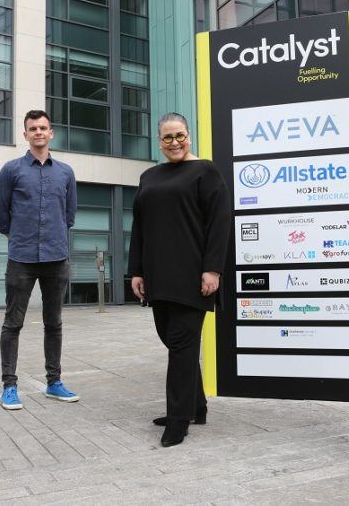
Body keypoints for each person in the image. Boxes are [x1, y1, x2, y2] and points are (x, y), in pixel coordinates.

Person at [128, 112, 231, 447]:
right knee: (174, 342)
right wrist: (137, 271)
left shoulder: (206, 171)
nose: (174, 143)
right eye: (168, 138)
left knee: (181, 348)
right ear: (159, 141)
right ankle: (196, 407)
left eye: (180, 136)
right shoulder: (149, 176)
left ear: (190, 136)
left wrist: (213, 269)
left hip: (192, 276)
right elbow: (140, 228)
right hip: (158, 277)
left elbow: (219, 223)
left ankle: (178, 421)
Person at [0, 110, 78, 409]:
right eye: (33, 128)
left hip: (57, 258)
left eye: (43, 128)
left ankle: (54, 383)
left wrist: (51, 237)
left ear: (51, 132)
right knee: (12, 323)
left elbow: (68, 216)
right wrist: (21, 237)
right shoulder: (11, 170)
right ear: (25, 134)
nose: (38, 132)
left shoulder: (66, 172)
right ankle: (9, 386)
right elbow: (0, 217)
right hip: (22, 258)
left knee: (53, 323)